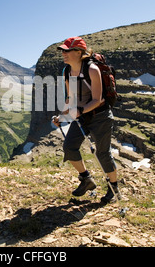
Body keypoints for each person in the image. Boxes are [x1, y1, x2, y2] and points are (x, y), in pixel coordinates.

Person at [52, 36, 119, 203]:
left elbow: (98, 100)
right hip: (82, 116)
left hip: (100, 117)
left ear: (79, 52)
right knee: (69, 147)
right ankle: (86, 179)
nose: (63, 54)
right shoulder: (67, 72)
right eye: (63, 51)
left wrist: (80, 111)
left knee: (103, 153)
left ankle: (114, 188)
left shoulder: (92, 70)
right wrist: (62, 116)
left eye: (67, 51)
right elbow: (71, 99)